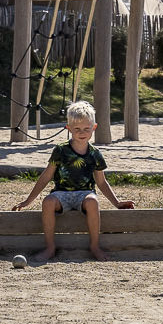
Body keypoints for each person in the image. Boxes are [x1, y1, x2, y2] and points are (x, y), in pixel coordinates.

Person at [11, 101, 134, 262]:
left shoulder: (95, 154)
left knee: (93, 202)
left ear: (94, 128)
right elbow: (46, 176)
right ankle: (50, 247)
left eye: (86, 128)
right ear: (68, 128)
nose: (82, 132)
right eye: (77, 129)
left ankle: (95, 246)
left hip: (85, 194)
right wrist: (27, 201)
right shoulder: (61, 150)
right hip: (62, 194)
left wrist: (117, 203)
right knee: (48, 202)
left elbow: (102, 182)